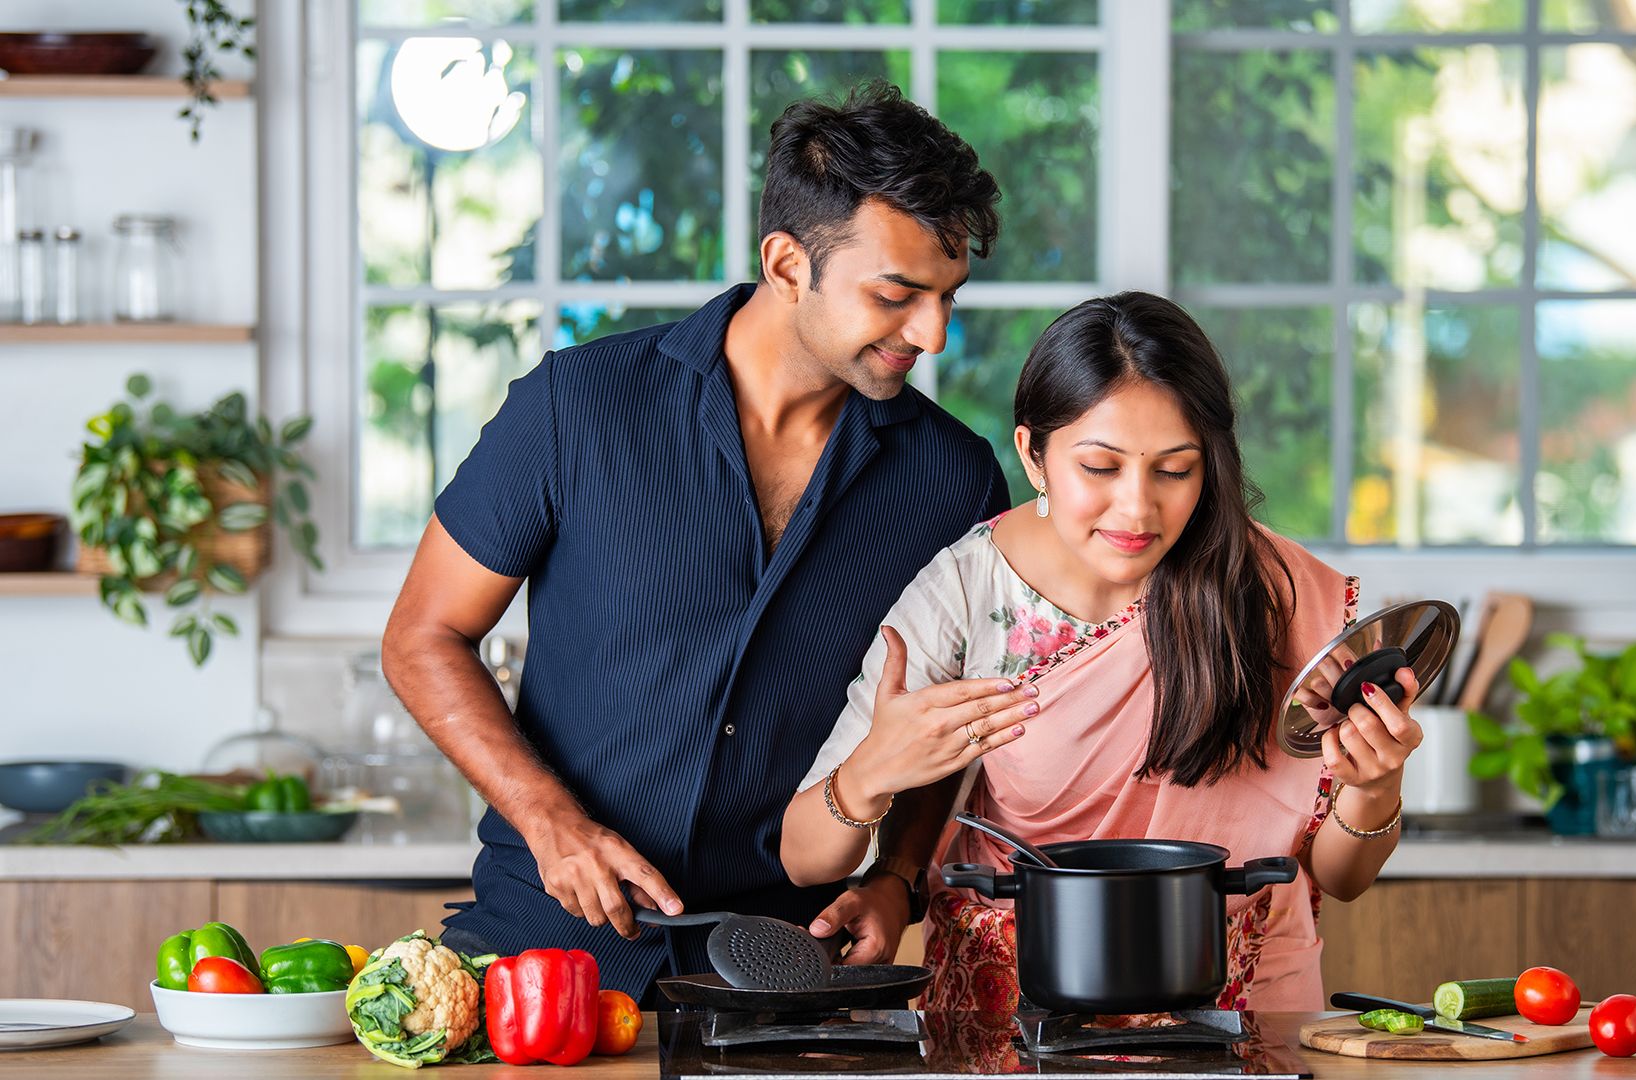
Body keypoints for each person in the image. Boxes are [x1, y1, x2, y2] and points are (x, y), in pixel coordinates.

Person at [381, 82, 1023, 999]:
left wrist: (897, 876)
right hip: (545, 956)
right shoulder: (578, 406)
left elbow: (939, 716)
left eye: (947, 297)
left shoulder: (953, 481)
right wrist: (549, 819)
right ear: (788, 262)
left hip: (785, 974)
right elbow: (422, 637)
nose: (934, 333)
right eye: (898, 295)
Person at [780, 291, 1421, 1010]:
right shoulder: (967, 590)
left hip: (1232, 1012)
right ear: (1034, 455)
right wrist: (869, 773)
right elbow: (804, 856)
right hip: (1017, 1015)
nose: (1137, 509)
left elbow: (1343, 876)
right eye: (1100, 467)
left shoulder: (1277, 595)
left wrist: (1374, 784)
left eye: (1175, 470)